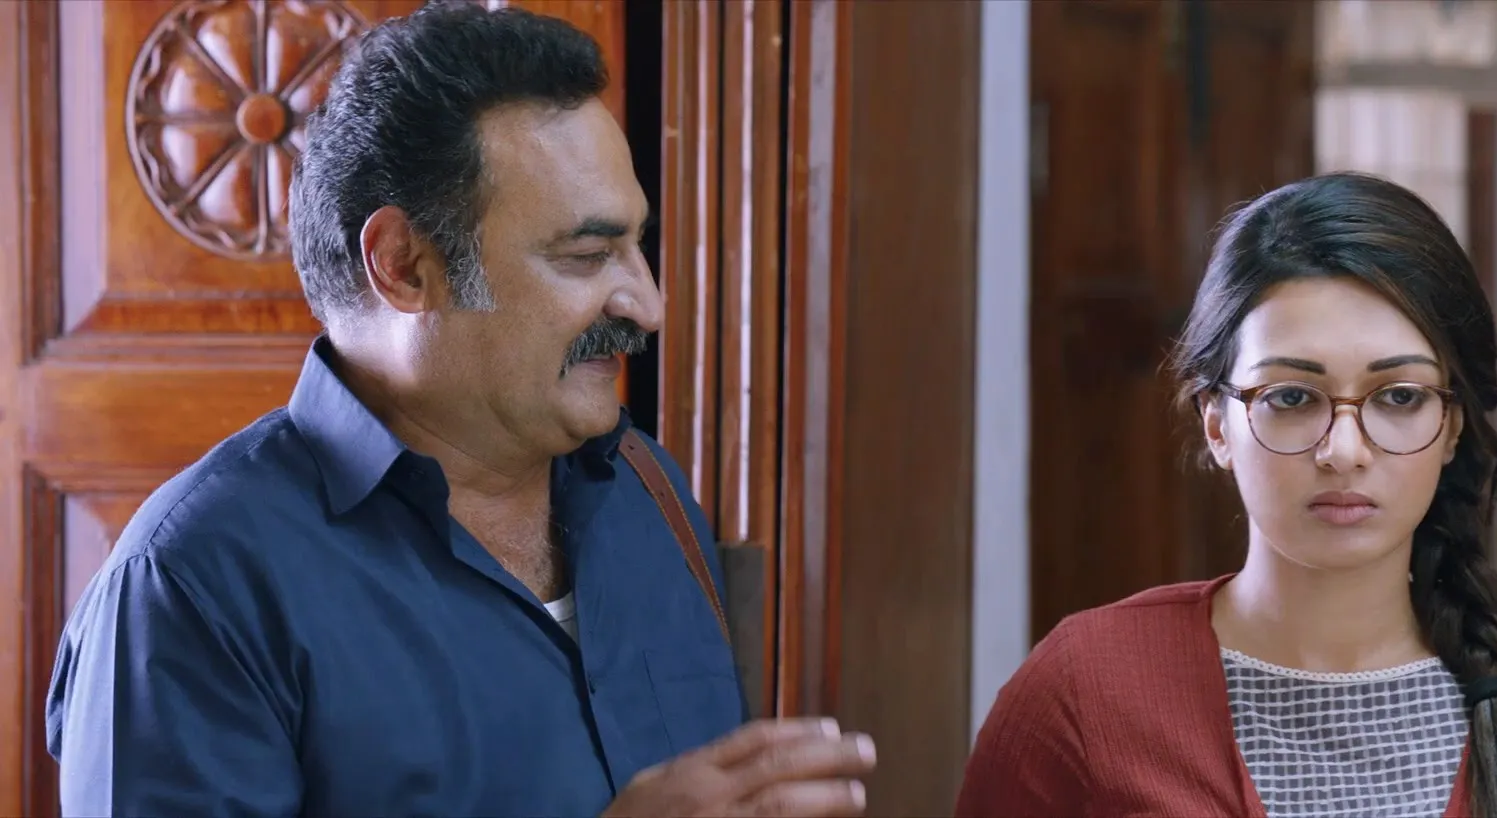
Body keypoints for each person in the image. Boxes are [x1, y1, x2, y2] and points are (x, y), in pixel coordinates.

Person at [44, 4, 875, 816]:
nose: (647, 306)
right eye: (587, 255)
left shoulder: (644, 489)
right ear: (405, 266)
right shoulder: (189, 585)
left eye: (637, 246)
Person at [955, 173, 1497, 818]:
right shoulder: (1084, 693)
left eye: (1399, 396)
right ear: (1217, 424)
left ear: (1452, 426)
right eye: (1293, 397)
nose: (1343, 451)